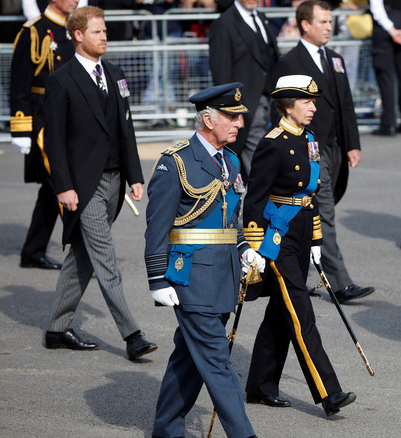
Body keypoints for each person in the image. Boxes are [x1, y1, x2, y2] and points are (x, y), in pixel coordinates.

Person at [43, 6, 157, 359]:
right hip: (83, 184)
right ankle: (132, 334)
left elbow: (126, 129)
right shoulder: (61, 80)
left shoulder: (115, 73)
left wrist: (135, 176)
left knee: (82, 257)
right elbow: (54, 141)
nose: (104, 36)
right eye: (97, 32)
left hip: (115, 182)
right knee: (105, 257)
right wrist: (63, 186)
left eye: (105, 31)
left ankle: (56, 328)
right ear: (78, 35)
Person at [144, 83, 258, 438]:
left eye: (240, 116)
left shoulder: (232, 160)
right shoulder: (176, 161)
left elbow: (229, 218)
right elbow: (157, 225)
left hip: (222, 274)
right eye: (231, 116)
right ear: (207, 119)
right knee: (218, 363)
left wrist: (242, 248)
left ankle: (166, 429)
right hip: (189, 277)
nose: (239, 123)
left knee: (189, 359)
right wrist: (157, 279)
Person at [243, 74, 357, 417]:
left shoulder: (309, 139)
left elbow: (313, 194)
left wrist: (317, 239)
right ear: (287, 105)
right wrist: (252, 244)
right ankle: (329, 391)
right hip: (277, 239)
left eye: (314, 101)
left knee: (281, 314)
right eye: (306, 102)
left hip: (303, 232)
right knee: (301, 312)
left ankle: (260, 386)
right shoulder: (271, 143)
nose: (313, 107)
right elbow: (255, 198)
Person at [273, 0, 374, 302]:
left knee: (308, 213)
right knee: (324, 212)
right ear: (305, 25)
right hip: (308, 148)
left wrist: (352, 143)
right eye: (323, 22)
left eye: (330, 22)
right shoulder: (290, 62)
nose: (329, 27)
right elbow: (278, 109)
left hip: (334, 146)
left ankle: (293, 277)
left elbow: (345, 105)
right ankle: (341, 283)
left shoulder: (335, 59)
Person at [9, 0, 77, 270]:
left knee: (51, 192)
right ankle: (88, 254)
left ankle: (32, 251)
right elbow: (19, 82)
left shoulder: (75, 29)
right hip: (43, 122)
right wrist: (21, 127)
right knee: (65, 185)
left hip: (69, 119)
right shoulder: (34, 32)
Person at [209, 0, 279, 177]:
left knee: (262, 157)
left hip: (268, 102)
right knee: (258, 162)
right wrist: (232, 108)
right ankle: (263, 199)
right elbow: (221, 72)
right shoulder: (224, 23)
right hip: (245, 105)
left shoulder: (262, 18)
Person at [368, 0, 401, 136]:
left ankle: (388, 123)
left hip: (384, 29)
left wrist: (392, 30)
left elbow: (377, 8)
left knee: (386, 77)